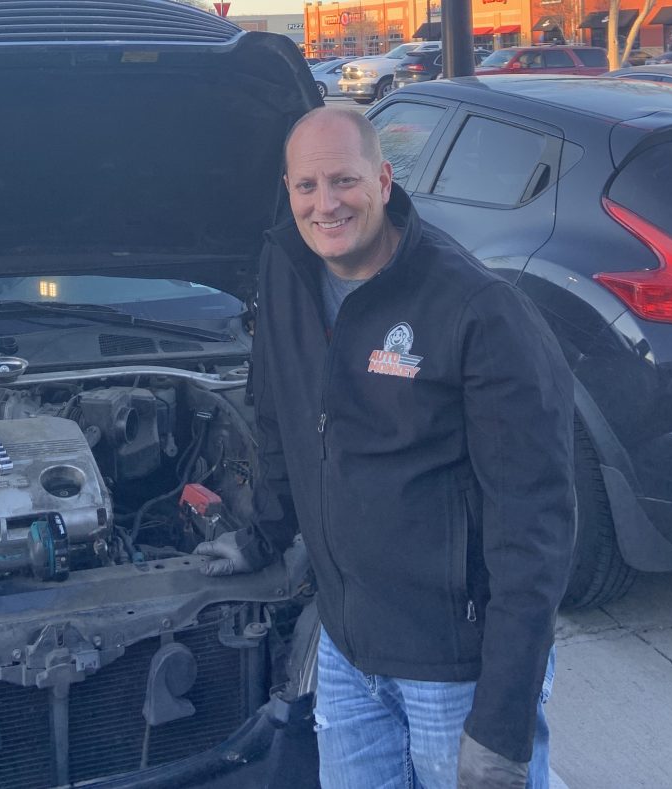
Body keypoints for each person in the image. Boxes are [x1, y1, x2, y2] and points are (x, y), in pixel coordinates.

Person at [194, 106, 575, 788]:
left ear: (384, 180)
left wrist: (503, 722)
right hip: (346, 645)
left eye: (344, 181)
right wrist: (263, 534)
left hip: (453, 664)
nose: (326, 204)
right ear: (288, 188)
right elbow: (282, 420)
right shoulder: (287, 269)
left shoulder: (476, 310)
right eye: (307, 186)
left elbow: (535, 525)